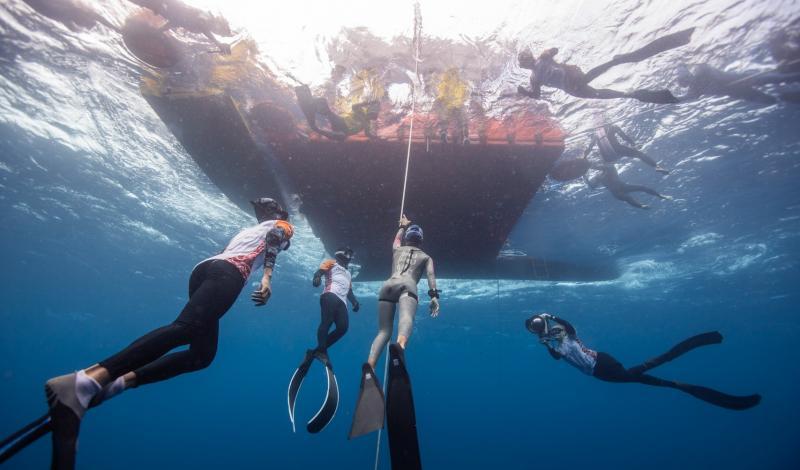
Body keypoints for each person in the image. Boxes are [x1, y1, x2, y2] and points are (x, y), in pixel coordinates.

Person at [44, 197, 293, 469]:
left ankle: (116, 383)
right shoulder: (282, 224)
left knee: (202, 355)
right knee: (186, 329)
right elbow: (276, 236)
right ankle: (87, 380)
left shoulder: (248, 231)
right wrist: (267, 277)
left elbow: (231, 251)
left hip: (207, 269)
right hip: (230, 273)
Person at [525, 313, 761, 410]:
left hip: (603, 364)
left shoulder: (569, 335)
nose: (555, 334)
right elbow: (557, 359)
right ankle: (672, 381)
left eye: (556, 332)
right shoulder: (557, 346)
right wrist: (547, 346)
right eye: (553, 333)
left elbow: (570, 327)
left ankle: (674, 381)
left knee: (635, 376)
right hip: (599, 374)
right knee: (635, 378)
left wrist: (552, 317)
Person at [518, 28, 694, 103]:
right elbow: (536, 96)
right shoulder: (534, 79)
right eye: (523, 62)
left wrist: (549, 51)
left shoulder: (541, 60)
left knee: (599, 78)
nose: (526, 63)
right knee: (605, 93)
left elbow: (554, 49)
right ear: (524, 65)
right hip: (574, 87)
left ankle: (617, 62)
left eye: (524, 59)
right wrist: (526, 93)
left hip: (573, 81)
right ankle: (632, 93)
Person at [366, 215, 440, 369]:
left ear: (408, 238)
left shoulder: (397, 250)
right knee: (406, 317)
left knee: (384, 331)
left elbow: (396, 240)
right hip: (408, 286)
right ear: (421, 240)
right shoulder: (426, 257)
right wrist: (434, 296)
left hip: (388, 286)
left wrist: (402, 226)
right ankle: (400, 345)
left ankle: (370, 365)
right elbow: (431, 275)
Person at [128, 0, 232, 54]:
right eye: (220, 32)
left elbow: (178, 21)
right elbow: (201, 23)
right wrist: (218, 43)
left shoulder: (200, 27)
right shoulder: (207, 17)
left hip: (163, 8)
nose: (217, 33)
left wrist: (159, 31)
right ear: (220, 25)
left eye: (220, 35)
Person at [311, 247, 360, 360]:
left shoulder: (348, 273)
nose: (349, 257)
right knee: (327, 322)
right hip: (330, 295)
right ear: (340, 254)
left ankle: (320, 349)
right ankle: (322, 350)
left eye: (350, 255)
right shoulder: (331, 262)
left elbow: (349, 291)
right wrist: (317, 278)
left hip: (342, 302)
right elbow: (319, 272)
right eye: (347, 254)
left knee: (343, 328)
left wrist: (354, 302)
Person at [675, 63, 800, 105]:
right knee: (771, 100)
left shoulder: (701, 70)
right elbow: (683, 98)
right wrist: (668, 99)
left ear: (689, 74)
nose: (687, 81)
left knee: (782, 78)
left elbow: (715, 74)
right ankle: (790, 97)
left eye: (686, 77)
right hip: (740, 92)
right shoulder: (694, 90)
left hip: (747, 79)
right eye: (683, 81)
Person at [294, 85, 380, 141]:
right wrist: (368, 103)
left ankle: (308, 102)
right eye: (372, 114)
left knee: (340, 136)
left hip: (344, 131)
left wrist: (374, 137)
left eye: (373, 116)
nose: (372, 117)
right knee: (326, 111)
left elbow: (367, 133)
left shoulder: (367, 124)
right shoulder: (362, 112)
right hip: (342, 122)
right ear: (369, 111)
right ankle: (306, 98)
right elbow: (355, 106)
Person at [584, 121, 670, 174]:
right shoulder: (612, 127)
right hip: (618, 149)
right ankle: (657, 167)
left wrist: (584, 156)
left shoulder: (595, 133)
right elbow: (624, 137)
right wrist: (633, 144)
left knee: (602, 163)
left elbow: (590, 146)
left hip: (606, 156)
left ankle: (587, 168)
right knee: (639, 154)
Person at [586, 163, 671, 210]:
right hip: (617, 192)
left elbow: (599, 166)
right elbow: (592, 187)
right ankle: (641, 206)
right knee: (628, 198)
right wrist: (585, 178)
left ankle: (660, 196)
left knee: (642, 187)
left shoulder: (610, 168)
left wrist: (591, 166)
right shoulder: (598, 177)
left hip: (623, 186)